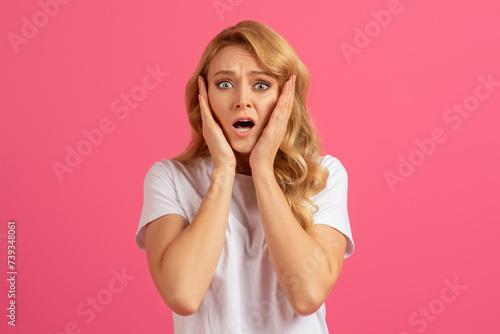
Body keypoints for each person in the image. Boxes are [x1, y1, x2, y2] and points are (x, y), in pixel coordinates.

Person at [135, 20, 355, 333]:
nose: (242, 100)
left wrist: (262, 170)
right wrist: (223, 171)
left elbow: (307, 296)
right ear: (204, 95)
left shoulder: (324, 176)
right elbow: (183, 294)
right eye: (224, 84)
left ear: (285, 97)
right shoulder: (170, 178)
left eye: (261, 85)